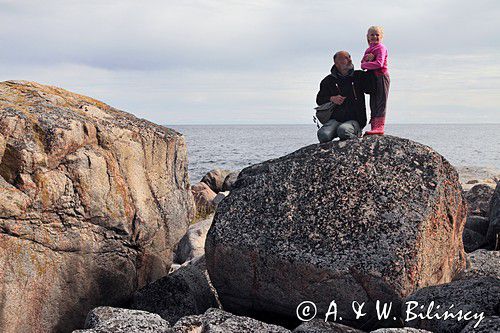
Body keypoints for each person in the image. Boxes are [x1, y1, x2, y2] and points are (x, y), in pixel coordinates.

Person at [316, 51, 368, 143]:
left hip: (355, 120)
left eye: (349, 57)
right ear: (336, 63)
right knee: (323, 135)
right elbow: (319, 99)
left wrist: (370, 65)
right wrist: (332, 98)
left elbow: (371, 89)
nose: (349, 60)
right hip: (335, 120)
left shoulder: (359, 76)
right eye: (345, 58)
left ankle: (357, 138)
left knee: (343, 131)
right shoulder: (328, 81)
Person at [361, 25, 390, 135]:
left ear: (381, 36)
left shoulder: (381, 48)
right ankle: (374, 126)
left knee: (381, 101)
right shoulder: (369, 49)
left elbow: (379, 64)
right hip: (372, 78)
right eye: (372, 35)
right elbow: (363, 64)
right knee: (373, 102)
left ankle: (380, 127)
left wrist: (367, 63)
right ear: (368, 37)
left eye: (377, 34)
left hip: (381, 76)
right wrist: (366, 62)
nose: (374, 37)